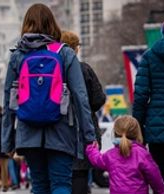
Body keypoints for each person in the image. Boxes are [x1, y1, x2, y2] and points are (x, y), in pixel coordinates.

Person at [2, 4, 96, 194]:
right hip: (61, 130)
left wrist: (8, 141)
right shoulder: (65, 53)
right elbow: (80, 97)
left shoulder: (18, 56)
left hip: (28, 132)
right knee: (61, 184)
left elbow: (8, 100)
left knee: (39, 185)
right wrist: (89, 136)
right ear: (52, 24)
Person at [61, 31, 106, 194]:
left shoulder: (54, 70)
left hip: (59, 130)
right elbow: (98, 98)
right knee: (80, 171)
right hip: (84, 129)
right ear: (75, 48)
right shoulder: (84, 69)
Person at [133, 17, 164, 193]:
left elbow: (141, 95)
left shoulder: (149, 56)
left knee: (159, 172)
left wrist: (137, 124)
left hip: (157, 126)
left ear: (163, 33)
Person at [86, 115, 164, 194]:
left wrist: (91, 148)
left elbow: (97, 160)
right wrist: (160, 191)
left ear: (115, 133)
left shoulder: (110, 155)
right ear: (137, 133)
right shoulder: (142, 154)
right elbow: (155, 177)